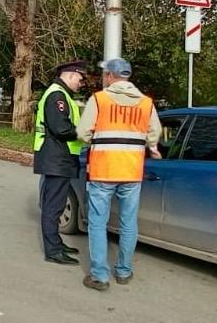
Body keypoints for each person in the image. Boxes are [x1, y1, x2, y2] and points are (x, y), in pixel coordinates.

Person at [76, 58, 162, 291]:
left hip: (103, 169)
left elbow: (83, 133)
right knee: (128, 222)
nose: (104, 78)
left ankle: (99, 276)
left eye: (105, 74)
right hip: (132, 171)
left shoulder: (99, 99)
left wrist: (95, 138)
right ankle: (123, 271)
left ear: (111, 76)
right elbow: (155, 134)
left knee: (97, 222)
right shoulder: (146, 103)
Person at [34, 60, 87, 265]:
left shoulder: (61, 94)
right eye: (80, 79)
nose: (81, 84)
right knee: (54, 206)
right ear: (71, 75)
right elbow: (61, 129)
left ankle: (56, 243)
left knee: (54, 204)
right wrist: (84, 133)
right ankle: (53, 250)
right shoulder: (57, 96)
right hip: (56, 157)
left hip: (57, 157)